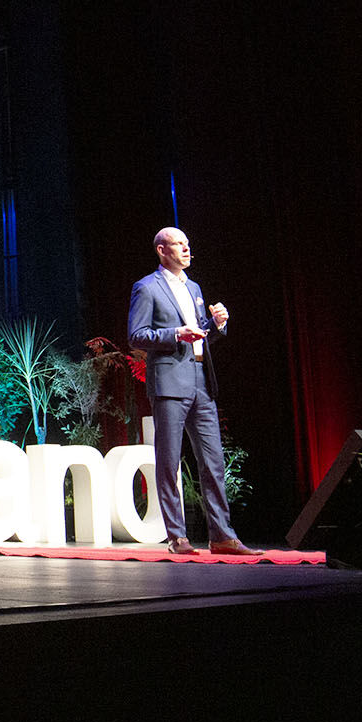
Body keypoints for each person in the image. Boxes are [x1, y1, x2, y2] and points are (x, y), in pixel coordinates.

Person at [126, 227, 248, 555]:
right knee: (169, 461)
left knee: (213, 460)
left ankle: (222, 535)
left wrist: (216, 325)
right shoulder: (147, 287)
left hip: (201, 380)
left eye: (188, 244)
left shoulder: (193, 287)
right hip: (169, 382)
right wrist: (175, 333)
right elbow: (136, 336)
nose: (187, 249)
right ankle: (176, 536)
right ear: (162, 250)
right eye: (180, 245)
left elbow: (199, 335)